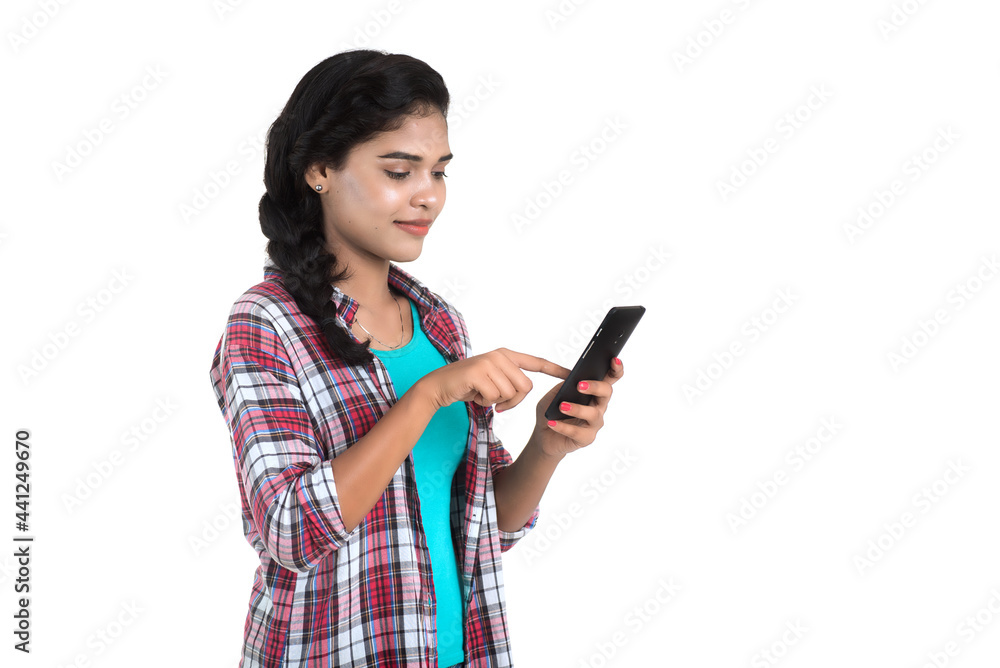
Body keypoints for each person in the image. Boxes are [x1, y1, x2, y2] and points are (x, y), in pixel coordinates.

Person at [208, 49, 625, 668]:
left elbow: (489, 523)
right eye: (400, 172)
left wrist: (547, 444)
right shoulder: (265, 325)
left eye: (440, 172)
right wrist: (429, 393)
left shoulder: (440, 324)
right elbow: (290, 531)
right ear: (319, 169)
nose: (428, 197)